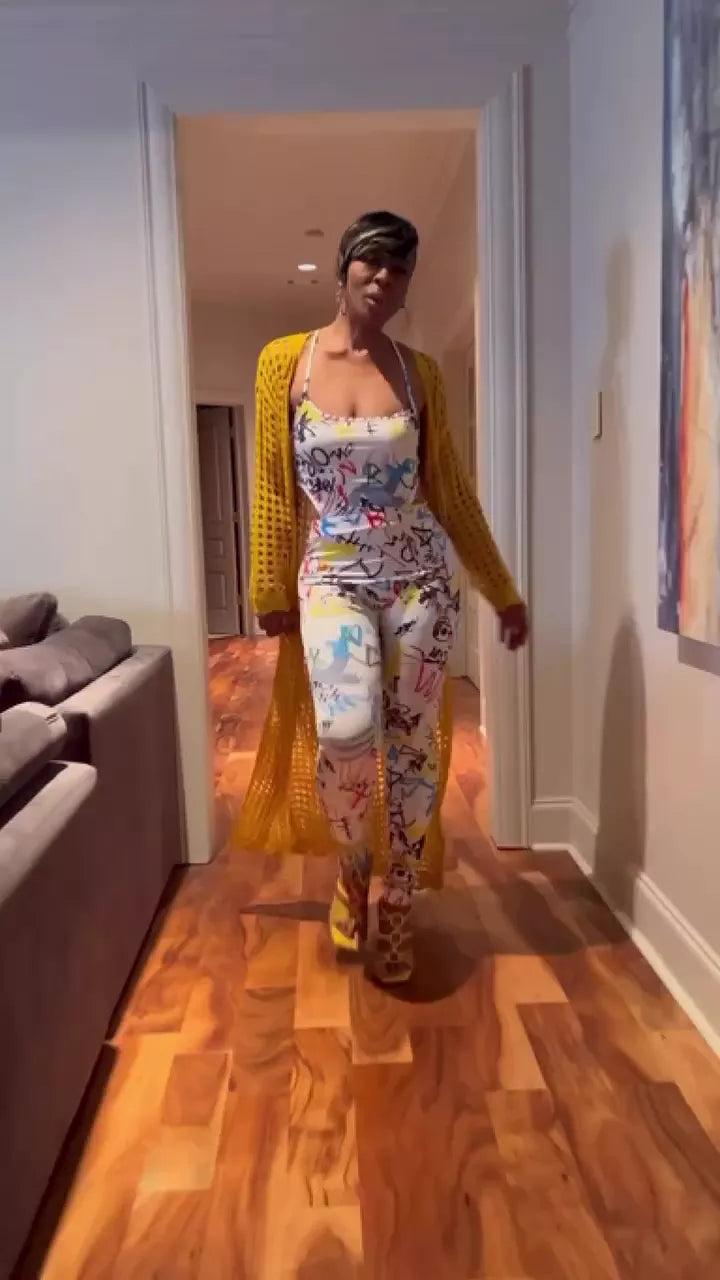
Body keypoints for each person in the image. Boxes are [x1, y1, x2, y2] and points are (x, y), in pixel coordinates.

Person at [235, 211, 528, 985]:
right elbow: (273, 485)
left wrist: (501, 590)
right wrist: (268, 586)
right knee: (346, 730)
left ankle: (397, 899)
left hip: (419, 579)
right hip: (332, 576)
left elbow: (450, 491)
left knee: (412, 746)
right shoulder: (284, 363)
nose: (384, 278)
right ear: (344, 268)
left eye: (400, 269)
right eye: (372, 261)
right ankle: (354, 862)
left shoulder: (419, 372)